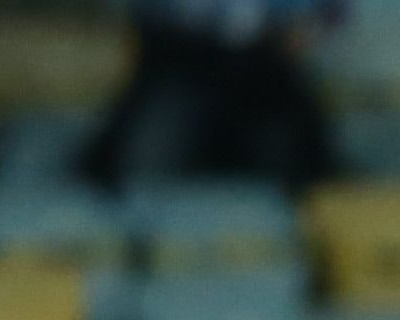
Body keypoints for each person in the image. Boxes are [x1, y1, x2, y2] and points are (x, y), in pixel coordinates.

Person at [81, 0, 335, 191]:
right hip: (180, 62)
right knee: (145, 166)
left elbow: (324, 17)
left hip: (268, 67)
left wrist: (305, 28)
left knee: (301, 170)